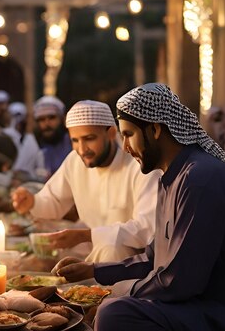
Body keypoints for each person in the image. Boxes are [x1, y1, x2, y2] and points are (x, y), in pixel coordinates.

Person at [54, 83, 225, 331]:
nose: (126, 147)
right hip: (192, 305)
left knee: (113, 316)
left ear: (155, 129)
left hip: (223, 314)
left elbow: (180, 281)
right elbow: (153, 258)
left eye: (129, 135)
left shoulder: (200, 178)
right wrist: (94, 272)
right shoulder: (172, 177)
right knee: (111, 311)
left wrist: (118, 291)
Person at [12, 100, 159, 262]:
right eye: (75, 141)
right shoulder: (75, 161)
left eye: (89, 138)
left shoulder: (140, 166)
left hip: (133, 260)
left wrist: (87, 236)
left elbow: (146, 229)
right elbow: (54, 201)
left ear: (110, 133)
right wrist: (31, 202)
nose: (82, 149)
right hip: (92, 249)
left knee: (112, 248)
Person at [13, 95, 71, 182]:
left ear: (62, 119)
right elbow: (19, 173)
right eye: (41, 119)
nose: (46, 124)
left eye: (52, 117)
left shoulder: (72, 140)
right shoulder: (33, 141)